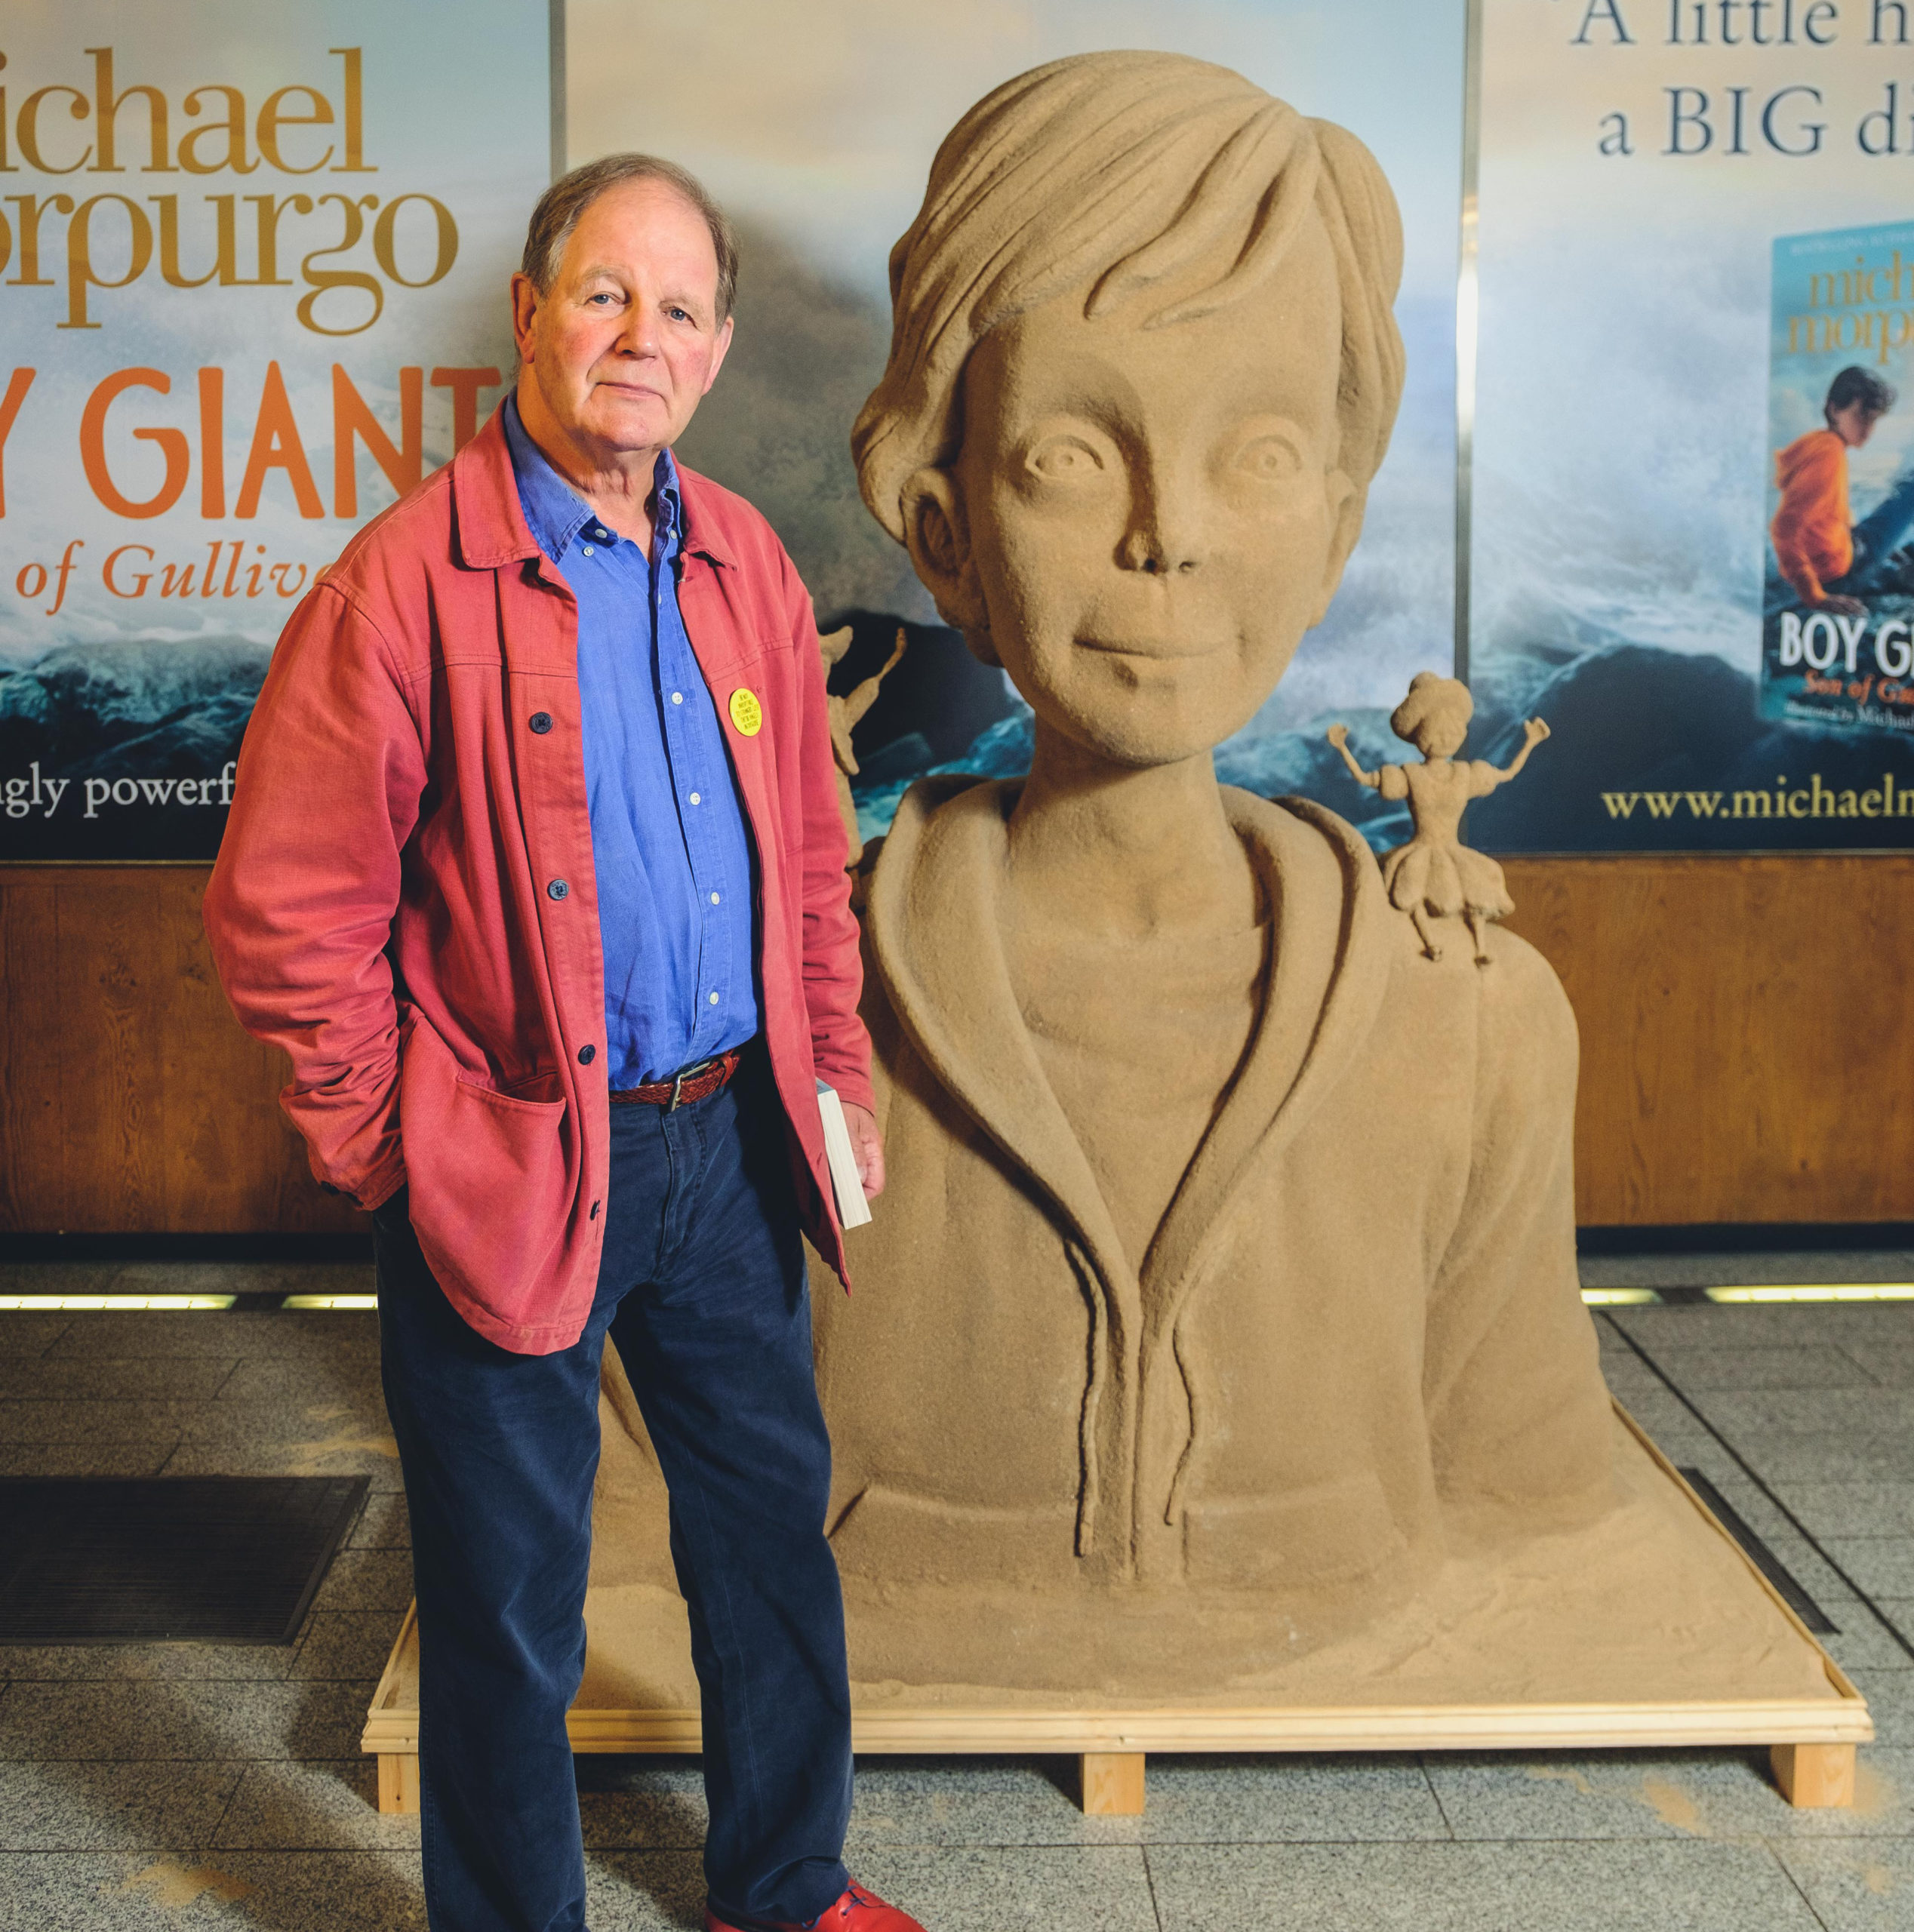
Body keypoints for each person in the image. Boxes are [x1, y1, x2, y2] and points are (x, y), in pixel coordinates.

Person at [590, 54, 1616, 1689]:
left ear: (1339, 529)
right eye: (1070, 454)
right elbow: (622, 1477)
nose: (1171, 535)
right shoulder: (765, 1013)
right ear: (943, 535)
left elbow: (1532, 1477)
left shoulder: (1471, 1028)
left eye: (1261, 454)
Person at [203, 153, 925, 1932]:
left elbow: (808, 867)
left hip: (726, 1150)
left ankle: (785, 1882)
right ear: (530, 313)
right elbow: (289, 911)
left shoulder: (743, 561)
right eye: (605, 292)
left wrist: (826, 1073)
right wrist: (394, 1140)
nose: (638, 335)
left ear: (716, 346)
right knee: (508, 1590)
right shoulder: (400, 587)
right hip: (510, 1152)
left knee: (767, 1534)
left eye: (678, 308)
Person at [1328, 675, 1549, 964]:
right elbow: (1367, 779)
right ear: (1419, 735)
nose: (1444, 740)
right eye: (1436, 733)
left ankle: (1480, 948)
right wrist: (1342, 747)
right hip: (1420, 849)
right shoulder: (1410, 775)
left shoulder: (1465, 774)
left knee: (1476, 891)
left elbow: (1506, 774)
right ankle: (1430, 943)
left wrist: (1531, 742)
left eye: (1451, 734)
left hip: (1452, 849)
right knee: (1411, 890)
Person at [1771, 363, 1914, 614]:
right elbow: (1784, 528)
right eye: (1862, 416)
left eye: (1873, 420)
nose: (1868, 429)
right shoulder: (1829, 454)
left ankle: (1894, 567)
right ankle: (1896, 571)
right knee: (1910, 491)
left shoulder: (1815, 443)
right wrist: (1815, 597)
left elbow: (1822, 513)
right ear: (1834, 409)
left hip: (1844, 550)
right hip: (1844, 572)